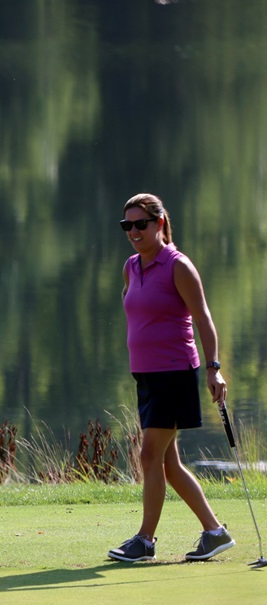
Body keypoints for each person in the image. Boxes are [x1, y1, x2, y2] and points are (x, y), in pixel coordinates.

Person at [107, 192, 235, 563]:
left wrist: (214, 367)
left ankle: (145, 540)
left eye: (140, 224)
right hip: (146, 376)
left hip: (175, 372)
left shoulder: (178, 265)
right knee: (167, 463)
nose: (133, 231)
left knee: (149, 456)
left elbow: (203, 319)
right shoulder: (131, 266)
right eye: (127, 225)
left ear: (160, 223)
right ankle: (215, 532)